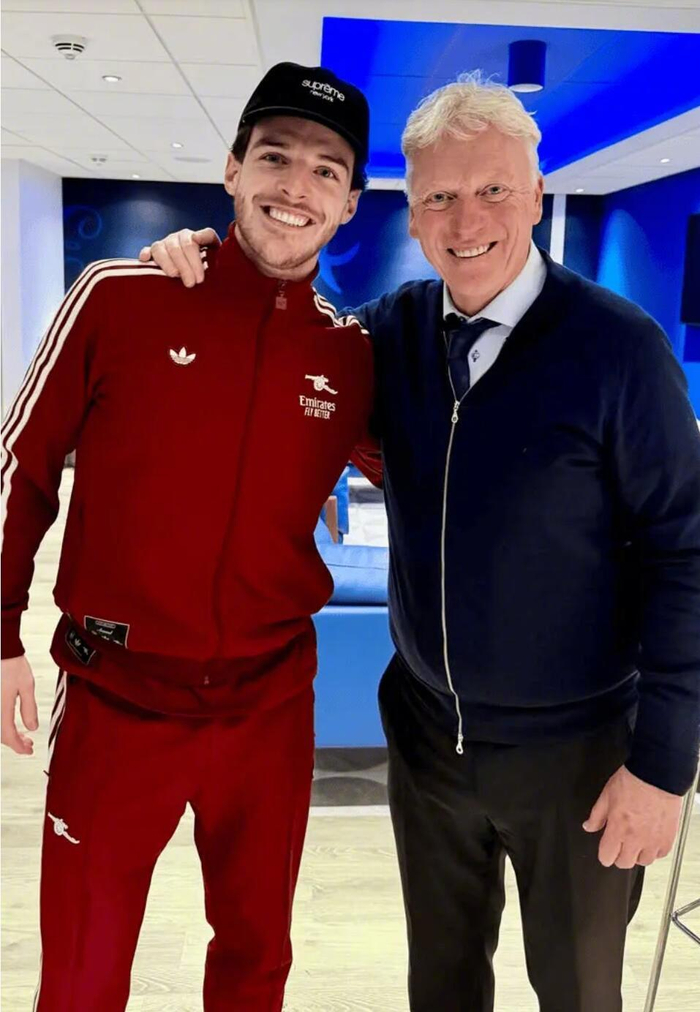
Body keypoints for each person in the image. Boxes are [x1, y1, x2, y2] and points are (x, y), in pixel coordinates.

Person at [142, 72, 700, 1012]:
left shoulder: (620, 350)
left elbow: (684, 558)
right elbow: (274, 356)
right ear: (410, 213)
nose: (465, 219)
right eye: (438, 195)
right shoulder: (390, 335)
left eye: (492, 189)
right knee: (440, 986)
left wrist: (663, 767)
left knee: (577, 992)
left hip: (579, 754)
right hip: (427, 738)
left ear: (535, 194)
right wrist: (203, 267)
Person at [1, 62, 381, 1012]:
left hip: (269, 708)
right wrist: (2, 632)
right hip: (115, 696)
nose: (296, 186)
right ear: (232, 169)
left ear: (350, 205)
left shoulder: (349, 355)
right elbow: (21, 467)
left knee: (257, 962)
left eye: (326, 170)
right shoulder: (121, 297)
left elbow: (440, 477)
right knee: (82, 973)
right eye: (275, 157)